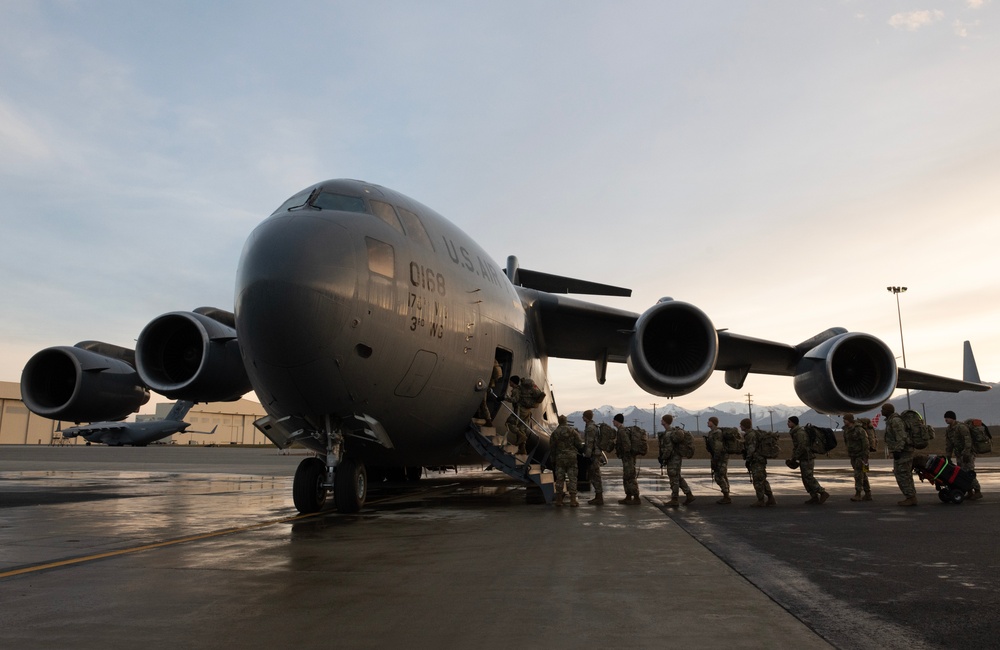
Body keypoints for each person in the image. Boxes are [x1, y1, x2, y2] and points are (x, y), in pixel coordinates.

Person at [788, 416, 830, 504]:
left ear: (794, 423)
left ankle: (822, 492)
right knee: (805, 478)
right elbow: (797, 447)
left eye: (789, 422)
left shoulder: (800, 433)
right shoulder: (795, 432)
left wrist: (795, 457)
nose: (787, 423)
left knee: (808, 477)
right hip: (803, 458)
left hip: (807, 458)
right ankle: (814, 496)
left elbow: (802, 446)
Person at [882, 403, 916, 506]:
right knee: (902, 473)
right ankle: (910, 496)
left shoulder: (895, 421)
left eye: (883, 409)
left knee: (903, 474)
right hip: (901, 451)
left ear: (888, 411)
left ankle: (911, 497)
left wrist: (898, 450)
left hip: (903, 452)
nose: (881, 411)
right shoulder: (891, 421)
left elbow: (901, 436)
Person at [658, 414, 694, 508]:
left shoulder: (668, 433)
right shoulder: (672, 432)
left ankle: (675, 499)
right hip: (676, 457)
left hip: (673, 458)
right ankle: (689, 495)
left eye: (662, 420)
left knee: (673, 478)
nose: (661, 421)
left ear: (665, 421)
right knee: (677, 477)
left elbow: (668, 448)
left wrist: (663, 458)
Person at [945, 410, 982, 500]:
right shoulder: (949, 429)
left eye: (947, 417)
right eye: (945, 418)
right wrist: (948, 456)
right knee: (962, 473)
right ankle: (969, 492)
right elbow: (949, 444)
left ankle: (977, 491)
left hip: (967, 454)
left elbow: (968, 440)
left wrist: (966, 453)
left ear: (952, 418)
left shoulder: (961, 427)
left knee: (969, 472)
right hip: (959, 455)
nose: (946, 419)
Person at [550, 415, 584, 507]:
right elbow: (579, 445)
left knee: (560, 479)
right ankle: (573, 500)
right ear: (566, 421)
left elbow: (552, 448)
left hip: (560, 458)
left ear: (559, 421)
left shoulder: (555, 433)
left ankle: (559, 500)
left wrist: (553, 459)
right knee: (572, 478)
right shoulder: (572, 431)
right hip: (571, 457)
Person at [741, 418, 774, 507]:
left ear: (744, 426)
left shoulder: (750, 435)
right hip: (760, 460)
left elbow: (751, 448)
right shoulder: (753, 433)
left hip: (756, 460)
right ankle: (771, 498)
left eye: (741, 425)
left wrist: (748, 459)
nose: (740, 426)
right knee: (762, 480)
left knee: (758, 481)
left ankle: (761, 500)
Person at [842, 414, 872, 502]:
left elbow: (865, 443)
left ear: (850, 420)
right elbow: (846, 442)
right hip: (853, 455)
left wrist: (865, 456)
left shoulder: (859, 430)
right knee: (863, 474)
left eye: (845, 419)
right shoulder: (846, 430)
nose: (844, 421)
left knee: (858, 474)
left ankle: (858, 493)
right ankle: (867, 493)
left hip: (861, 455)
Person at [613, 413, 641, 505]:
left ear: (617, 421)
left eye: (614, 420)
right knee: (626, 477)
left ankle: (636, 497)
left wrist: (625, 453)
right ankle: (628, 496)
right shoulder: (621, 430)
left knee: (630, 476)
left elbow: (627, 444)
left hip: (628, 457)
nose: (613, 422)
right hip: (626, 457)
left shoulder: (622, 431)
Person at [581, 410, 605, 505]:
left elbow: (590, 443)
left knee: (595, 475)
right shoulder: (592, 426)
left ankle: (599, 497)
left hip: (593, 454)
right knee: (595, 474)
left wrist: (587, 455)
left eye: (583, 416)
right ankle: (598, 496)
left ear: (586, 417)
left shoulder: (590, 428)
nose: (582, 418)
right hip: (595, 453)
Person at [706, 416, 731, 504]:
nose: (707, 423)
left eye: (709, 421)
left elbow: (718, 447)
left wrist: (715, 459)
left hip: (720, 456)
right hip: (718, 456)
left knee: (719, 476)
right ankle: (726, 494)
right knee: (723, 475)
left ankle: (726, 496)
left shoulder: (717, 432)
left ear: (713, 422)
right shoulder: (712, 432)